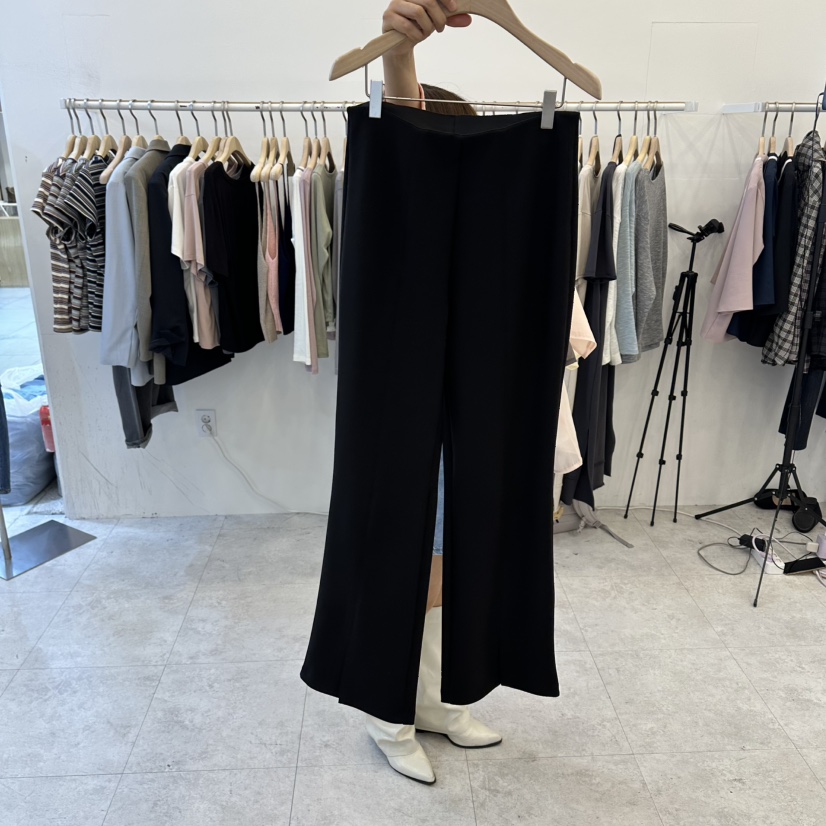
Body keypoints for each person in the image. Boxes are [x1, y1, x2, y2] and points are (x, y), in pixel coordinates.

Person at [359, 0, 503, 785]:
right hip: (401, 410)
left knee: (449, 559)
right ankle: (386, 713)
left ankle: (437, 699)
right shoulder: (397, 219)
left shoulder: (483, 227)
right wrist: (398, 57)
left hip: (465, 415)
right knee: (400, 558)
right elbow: (399, 133)